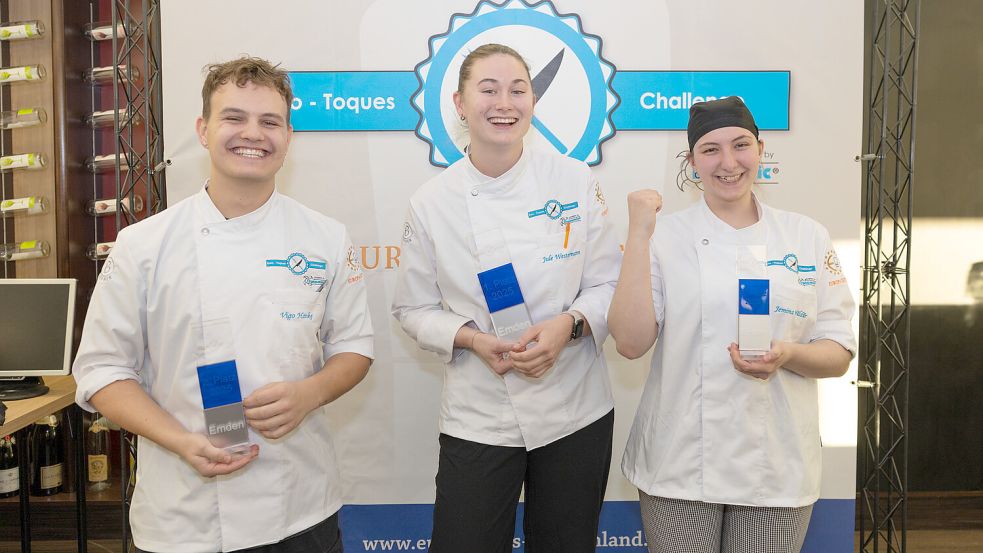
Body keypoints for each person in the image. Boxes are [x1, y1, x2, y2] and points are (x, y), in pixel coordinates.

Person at [72, 56, 373, 553]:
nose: (252, 133)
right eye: (234, 117)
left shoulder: (325, 238)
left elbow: (356, 347)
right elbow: (103, 373)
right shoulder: (143, 246)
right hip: (183, 513)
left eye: (269, 121)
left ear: (288, 137)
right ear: (204, 130)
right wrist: (181, 440)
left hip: (299, 506)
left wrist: (310, 393)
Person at [391, 44, 621, 553]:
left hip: (573, 406)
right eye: (488, 89)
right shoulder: (432, 203)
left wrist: (569, 325)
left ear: (534, 100)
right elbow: (411, 309)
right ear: (459, 101)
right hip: (480, 411)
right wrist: (472, 340)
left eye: (518, 90)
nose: (505, 103)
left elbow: (608, 284)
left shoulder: (575, 182)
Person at [608, 96, 857, 553]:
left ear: (761, 149)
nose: (728, 163)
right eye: (710, 150)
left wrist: (788, 355)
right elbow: (629, 342)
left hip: (777, 462)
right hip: (679, 460)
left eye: (740, 145)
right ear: (691, 161)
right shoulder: (663, 237)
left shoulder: (806, 236)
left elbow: (838, 352)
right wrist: (639, 235)